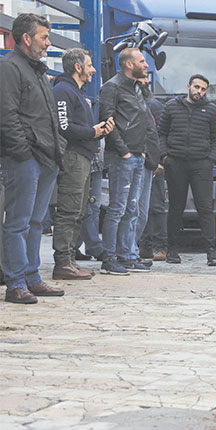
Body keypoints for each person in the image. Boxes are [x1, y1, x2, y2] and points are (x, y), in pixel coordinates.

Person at [0, 13, 66, 303]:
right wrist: (23, 152)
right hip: (26, 159)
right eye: (43, 37)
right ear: (26, 39)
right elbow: (7, 115)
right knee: (18, 222)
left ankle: (32, 276)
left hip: (47, 157)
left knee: (37, 221)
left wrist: (55, 148)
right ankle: (15, 283)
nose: (47, 43)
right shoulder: (9, 69)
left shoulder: (37, 70)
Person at [51, 48, 113, 281]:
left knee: (79, 211)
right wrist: (92, 131)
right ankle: (63, 263)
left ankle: (70, 261)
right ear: (78, 67)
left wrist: (100, 131)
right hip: (73, 158)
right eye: (89, 66)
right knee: (69, 211)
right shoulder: (63, 91)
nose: (93, 70)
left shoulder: (76, 92)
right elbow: (63, 127)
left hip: (83, 158)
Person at [99, 48, 162, 275]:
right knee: (117, 208)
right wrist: (124, 151)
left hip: (138, 156)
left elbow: (144, 121)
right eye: (142, 61)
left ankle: (127, 255)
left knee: (132, 208)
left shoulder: (136, 88)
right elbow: (107, 120)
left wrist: (143, 152)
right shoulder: (111, 87)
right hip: (123, 156)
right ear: (128, 64)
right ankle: (109, 258)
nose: (146, 65)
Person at [159, 74, 216, 266]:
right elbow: (161, 132)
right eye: (196, 87)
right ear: (188, 86)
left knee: (205, 208)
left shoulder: (211, 110)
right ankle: (172, 250)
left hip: (201, 164)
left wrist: (210, 159)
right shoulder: (171, 106)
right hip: (176, 163)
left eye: (203, 89)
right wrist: (164, 157)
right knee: (175, 208)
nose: (199, 92)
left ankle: (211, 252)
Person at [138, 79, 167, 262]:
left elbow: (160, 134)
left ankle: (159, 246)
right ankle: (146, 246)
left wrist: (159, 160)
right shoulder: (139, 103)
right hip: (140, 160)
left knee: (155, 207)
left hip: (152, 163)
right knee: (143, 208)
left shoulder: (153, 106)